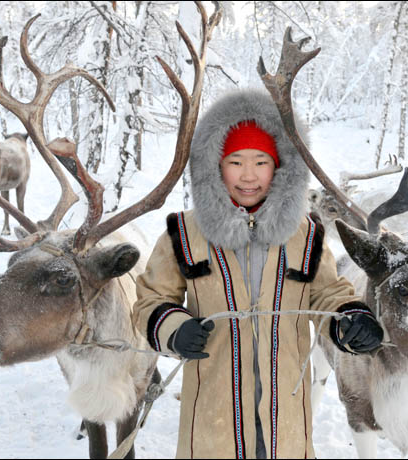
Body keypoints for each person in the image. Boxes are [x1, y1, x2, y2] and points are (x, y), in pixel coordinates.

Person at [132, 89, 383, 459]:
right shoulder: (184, 233)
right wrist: (173, 328)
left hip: (286, 419)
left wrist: (351, 319)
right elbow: (151, 300)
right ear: (215, 165)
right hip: (212, 417)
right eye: (235, 161)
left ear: (280, 167)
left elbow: (327, 295)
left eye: (261, 161)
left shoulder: (306, 234)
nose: (248, 176)